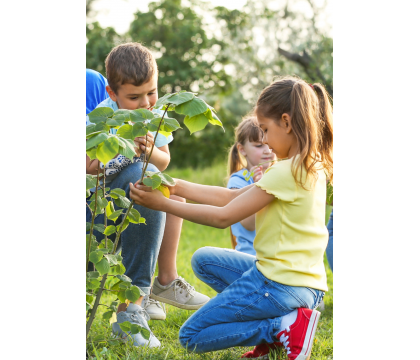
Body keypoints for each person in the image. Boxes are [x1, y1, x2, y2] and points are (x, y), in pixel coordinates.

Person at [129, 76, 333, 359]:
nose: (264, 139)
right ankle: (280, 330)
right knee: (205, 260)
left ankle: (281, 326)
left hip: (279, 284)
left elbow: (223, 217)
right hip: (305, 285)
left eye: (265, 129)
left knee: (191, 336)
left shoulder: (284, 172)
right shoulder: (309, 166)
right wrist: (174, 185)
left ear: (286, 122)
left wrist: (163, 203)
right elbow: (230, 197)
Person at [86, 43, 208, 349]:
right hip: (95, 209)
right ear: (112, 94)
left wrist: (150, 151)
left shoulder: (154, 117)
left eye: (151, 93)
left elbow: (164, 159)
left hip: (132, 199)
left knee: (153, 180)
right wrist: (119, 145)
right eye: (134, 97)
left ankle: (133, 310)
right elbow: (88, 166)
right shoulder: (101, 118)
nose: (145, 103)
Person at [226, 117, 275, 255]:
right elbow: (249, 224)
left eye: (269, 144)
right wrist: (260, 185)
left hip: (275, 258)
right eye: (259, 145)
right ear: (242, 149)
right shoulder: (238, 181)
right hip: (250, 257)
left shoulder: (279, 175)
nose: (267, 150)